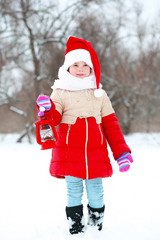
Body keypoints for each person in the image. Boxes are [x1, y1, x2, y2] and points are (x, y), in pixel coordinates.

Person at [36, 36, 133, 235]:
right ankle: (76, 229)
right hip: (69, 154)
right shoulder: (61, 92)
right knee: (74, 193)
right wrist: (46, 110)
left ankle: (96, 230)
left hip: (95, 155)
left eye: (85, 65)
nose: (80, 68)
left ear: (91, 69)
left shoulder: (99, 94)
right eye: (75, 64)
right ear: (67, 68)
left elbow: (111, 125)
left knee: (96, 193)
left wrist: (121, 153)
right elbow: (53, 118)